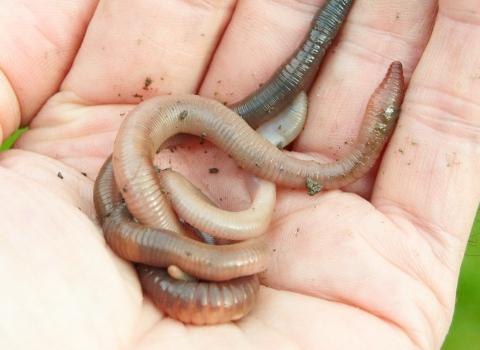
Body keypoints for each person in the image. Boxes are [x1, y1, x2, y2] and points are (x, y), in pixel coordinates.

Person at [0, 0, 478, 349]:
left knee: (325, 160)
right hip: (166, 216)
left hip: (175, 215)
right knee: (325, 163)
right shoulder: (134, 181)